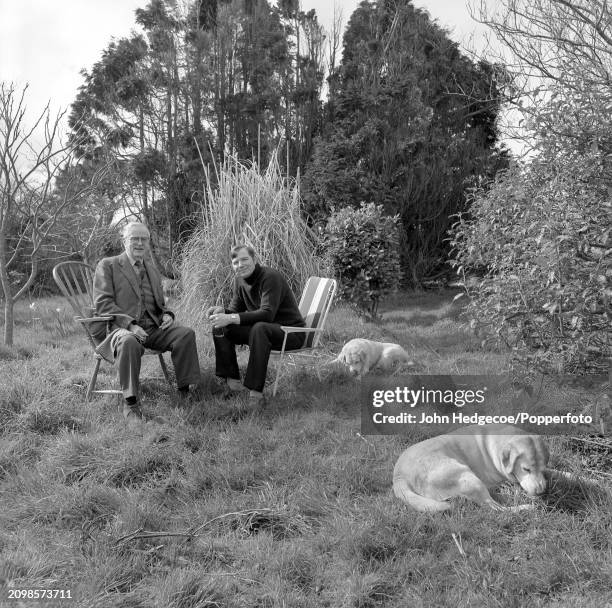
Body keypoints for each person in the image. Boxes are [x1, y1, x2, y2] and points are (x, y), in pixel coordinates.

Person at [93, 221, 201, 423]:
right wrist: (131, 326)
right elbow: (103, 303)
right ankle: (131, 403)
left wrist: (168, 314)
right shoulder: (108, 265)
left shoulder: (151, 269)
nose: (140, 243)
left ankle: (185, 391)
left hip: (153, 328)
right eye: (135, 238)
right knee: (129, 342)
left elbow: (159, 302)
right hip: (121, 329)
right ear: (124, 240)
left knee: (185, 334)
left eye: (144, 239)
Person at [206, 245, 305, 408]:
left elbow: (267, 314)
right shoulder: (240, 280)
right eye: (236, 262)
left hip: (291, 333)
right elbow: (235, 310)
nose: (240, 265)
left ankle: (255, 393)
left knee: (260, 327)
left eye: (245, 259)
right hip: (263, 332)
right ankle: (233, 384)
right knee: (220, 326)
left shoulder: (270, 277)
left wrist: (230, 317)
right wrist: (222, 312)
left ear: (254, 259)